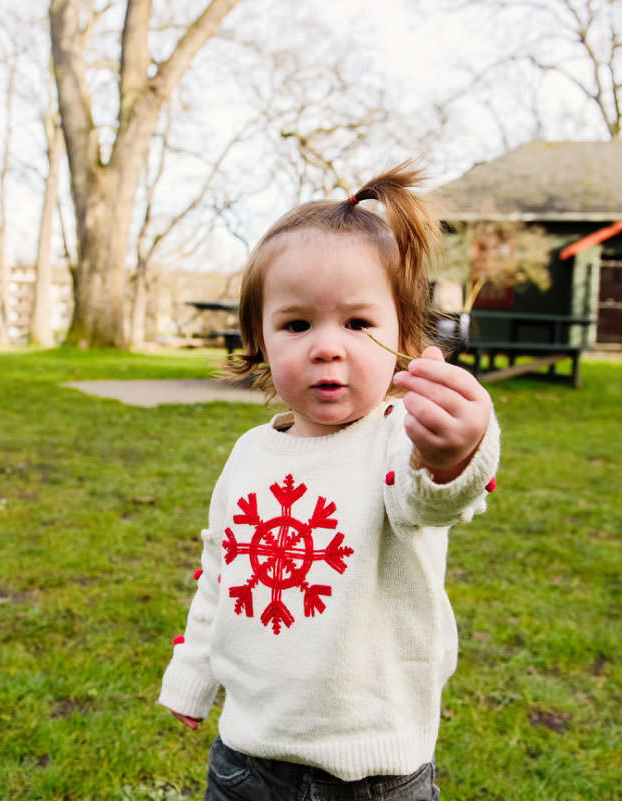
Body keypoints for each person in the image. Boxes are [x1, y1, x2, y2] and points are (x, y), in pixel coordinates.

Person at [158, 163, 500, 801]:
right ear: (258, 340)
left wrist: (456, 452)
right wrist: (191, 673)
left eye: (357, 323)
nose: (326, 347)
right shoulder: (250, 455)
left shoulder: (400, 439)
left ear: (404, 334)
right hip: (248, 760)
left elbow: (433, 498)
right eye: (296, 325)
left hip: (376, 772)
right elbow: (222, 569)